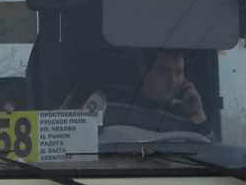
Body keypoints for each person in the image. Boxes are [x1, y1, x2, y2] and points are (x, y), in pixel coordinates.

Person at [69, 49, 214, 139]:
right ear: (144, 71)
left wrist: (197, 114)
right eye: (164, 71)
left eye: (178, 72)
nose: (173, 80)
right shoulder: (107, 99)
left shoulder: (185, 112)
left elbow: (211, 157)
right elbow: (77, 145)